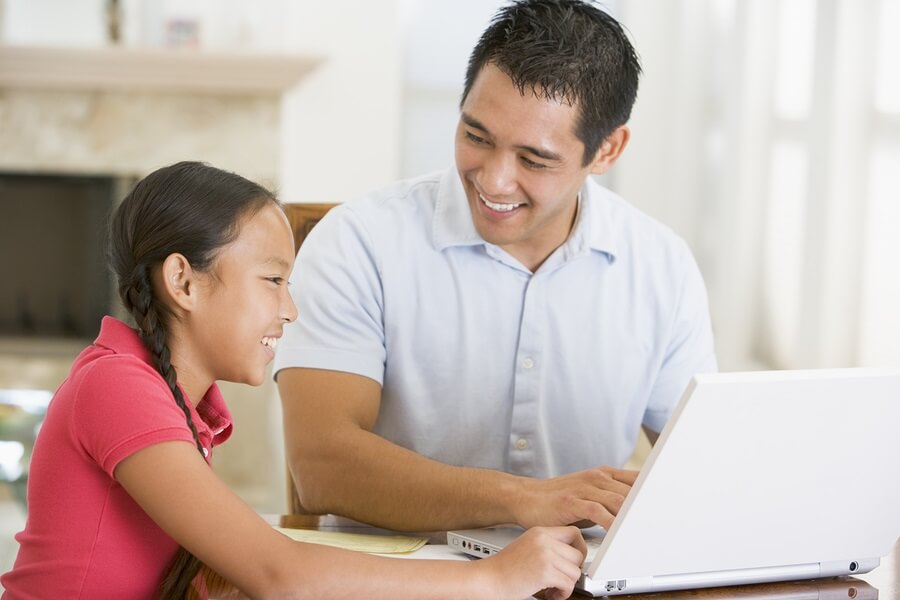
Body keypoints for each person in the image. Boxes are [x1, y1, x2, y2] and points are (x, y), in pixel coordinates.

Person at [0, 161, 587, 600]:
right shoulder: (118, 388)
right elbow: (277, 574)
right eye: (272, 280)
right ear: (183, 281)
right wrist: (492, 579)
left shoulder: (176, 398)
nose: (291, 310)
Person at [274, 0, 717, 533]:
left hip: (578, 580)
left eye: (534, 160)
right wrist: (526, 500)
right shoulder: (360, 241)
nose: (494, 180)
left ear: (607, 150)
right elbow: (323, 468)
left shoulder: (661, 266)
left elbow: (707, 470)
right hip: (404, 579)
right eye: (476, 137)